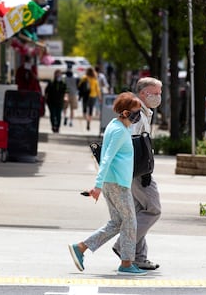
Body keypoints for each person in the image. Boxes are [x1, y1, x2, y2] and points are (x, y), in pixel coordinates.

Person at [68, 92, 148, 276]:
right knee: (130, 222)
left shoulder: (117, 125)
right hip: (117, 184)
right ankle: (127, 263)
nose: (139, 115)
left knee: (117, 222)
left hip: (114, 182)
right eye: (136, 112)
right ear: (126, 113)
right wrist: (97, 185)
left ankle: (80, 248)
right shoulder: (119, 131)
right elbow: (106, 158)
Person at [112, 76, 162, 270]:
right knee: (153, 210)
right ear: (143, 93)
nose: (159, 97)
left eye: (160, 93)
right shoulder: (137, 114)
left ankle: (138, 257)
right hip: (138, 172)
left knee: (139, 212)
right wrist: (142, 172)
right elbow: (130, 142)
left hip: (134, 171)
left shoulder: (142, 112)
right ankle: (123, 245)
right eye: (155, 93)